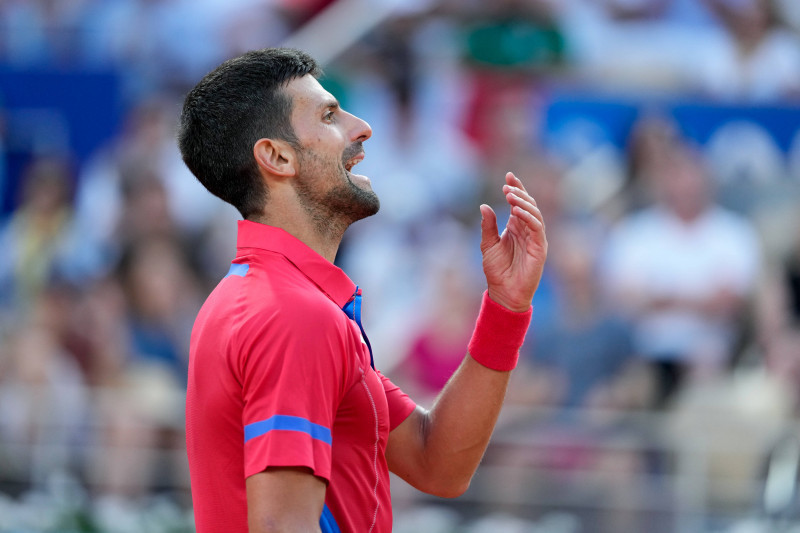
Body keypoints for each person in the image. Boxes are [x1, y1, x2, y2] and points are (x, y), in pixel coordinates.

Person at [177, 48, 548, 533]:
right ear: (276, 156)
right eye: (331, 115)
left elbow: (436, 461)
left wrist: (506, 307)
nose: (362, 127)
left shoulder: (271, 299)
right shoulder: (292, 314)